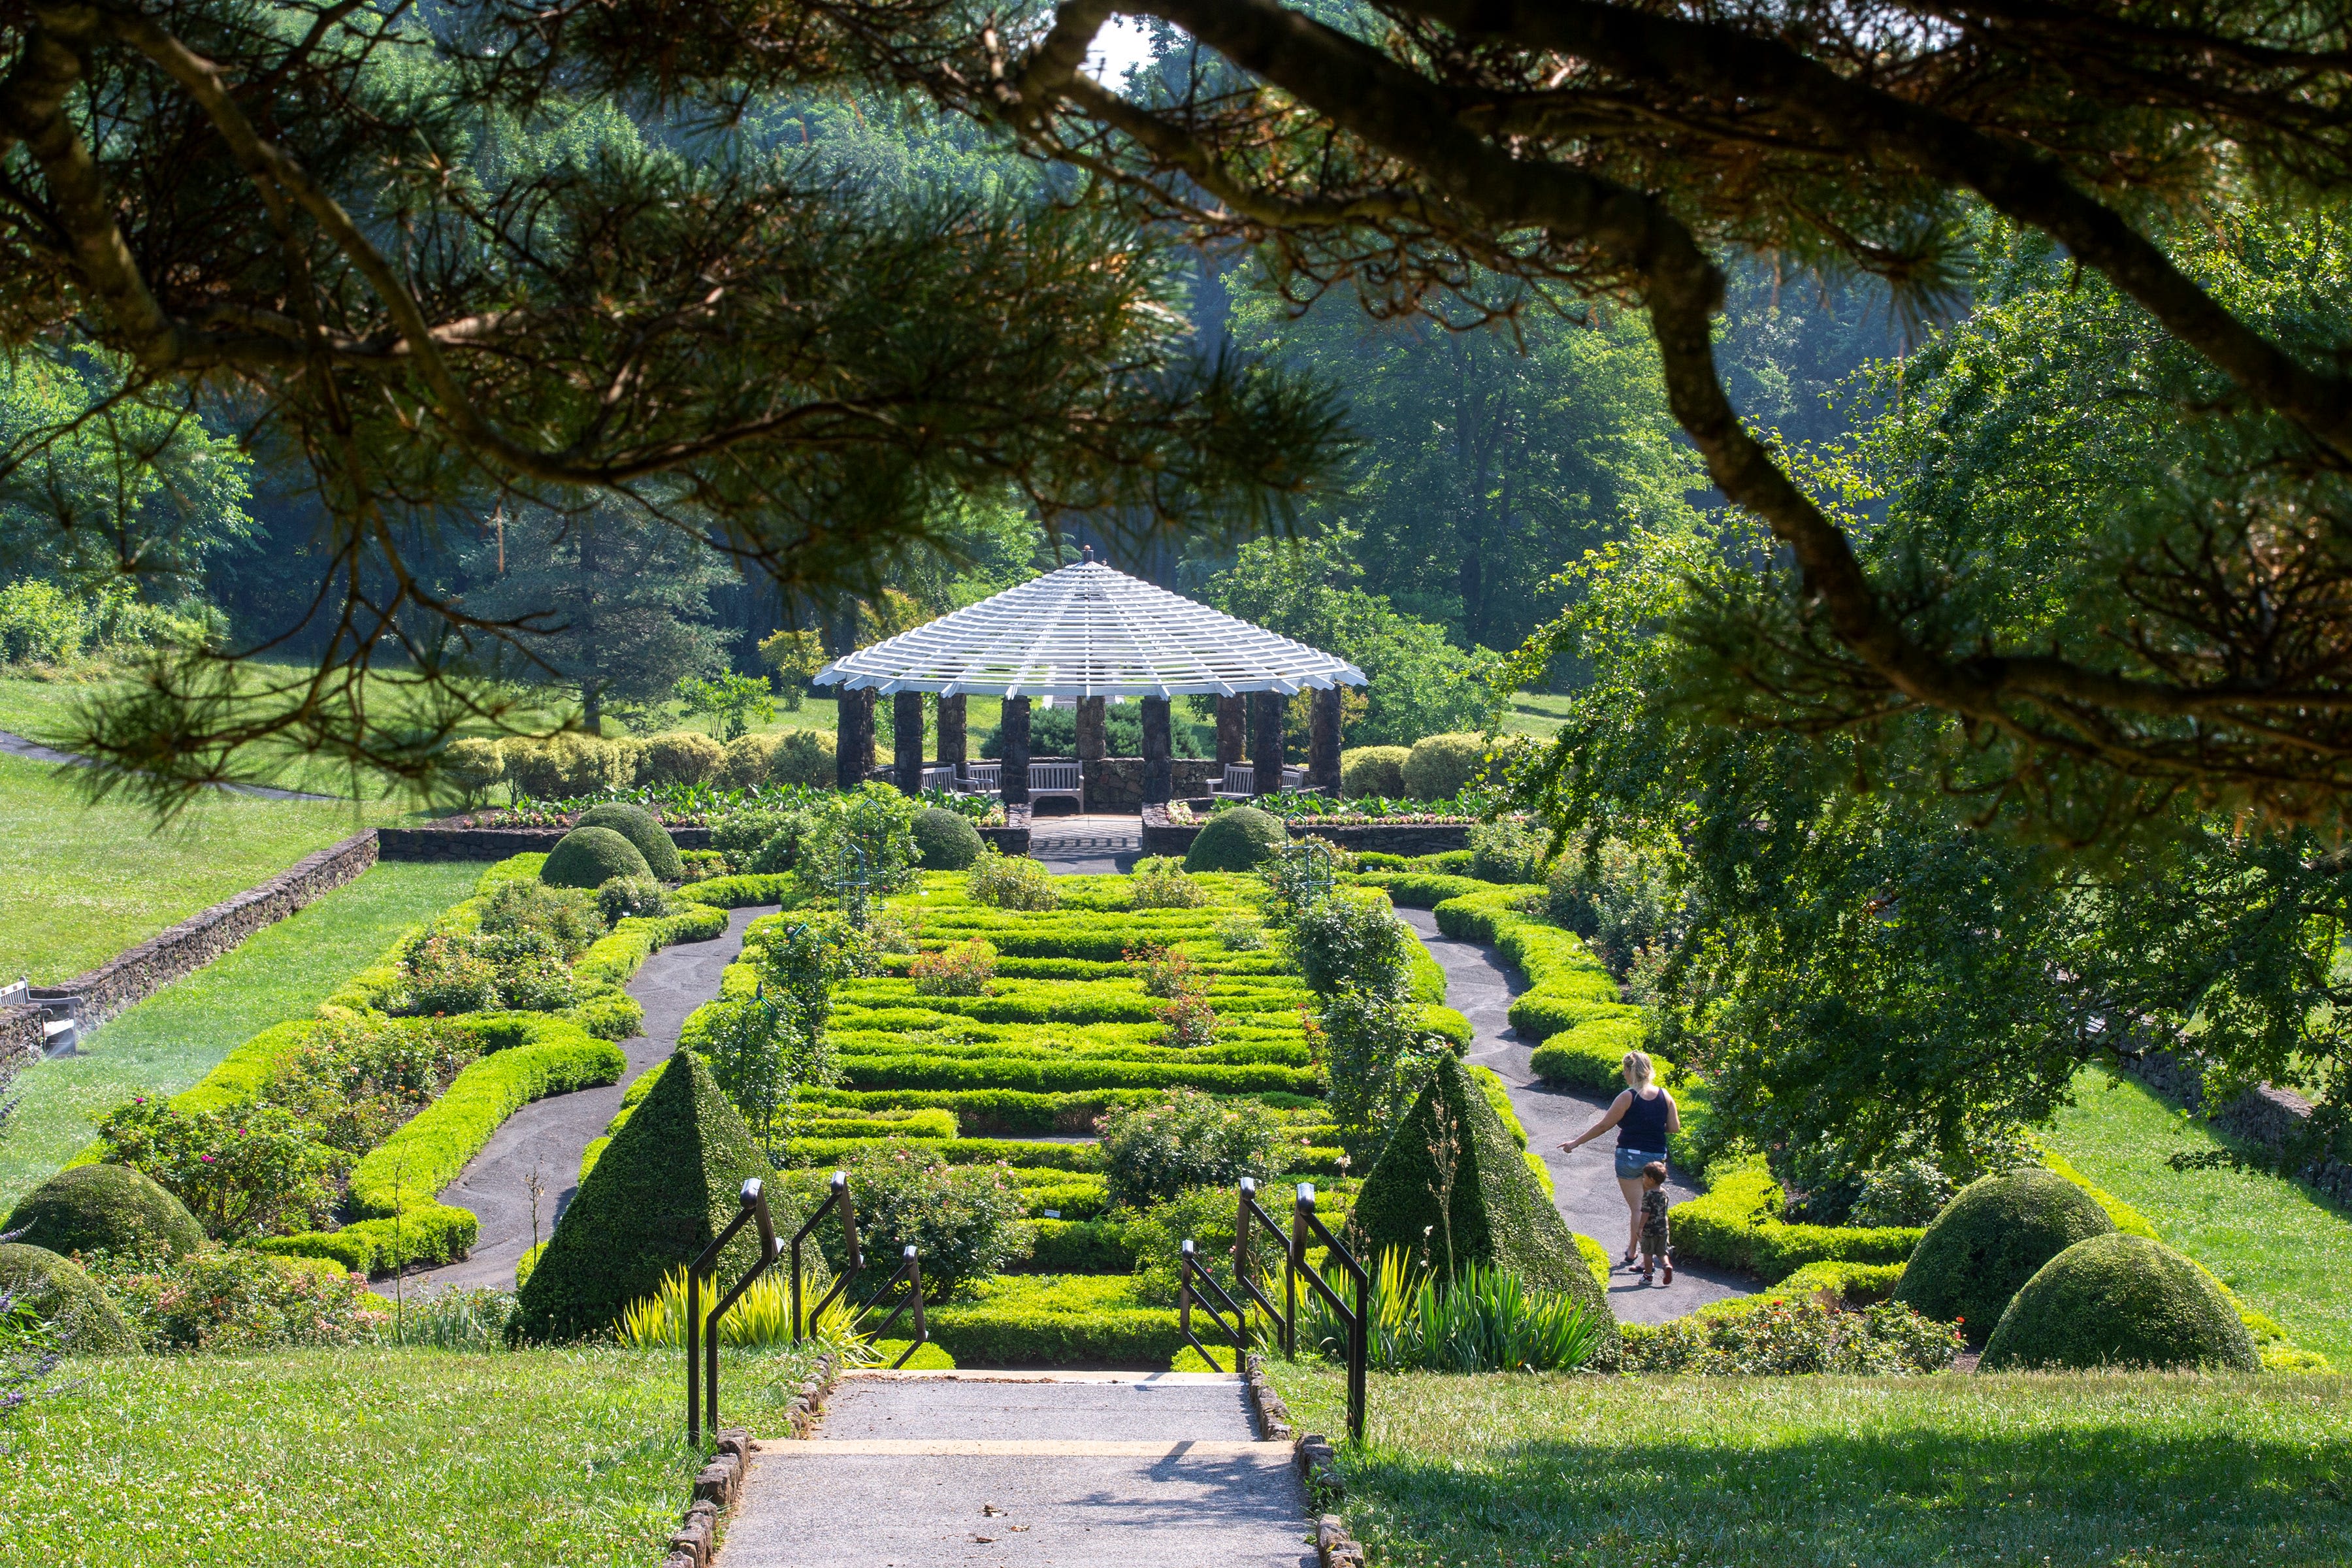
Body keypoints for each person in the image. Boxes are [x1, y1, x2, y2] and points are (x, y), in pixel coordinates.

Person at [1559, 1049, 1682, 1267]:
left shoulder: (1627, 1096)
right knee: (1651, 1209)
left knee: (1637, 1208)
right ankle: (1637, 1253)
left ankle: (1640, 1257)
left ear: (1630, 1070)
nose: (1623, 1074)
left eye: (1624, 1070)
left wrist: (1575, 1143)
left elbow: (1604, 1125)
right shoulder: (1665, 1096)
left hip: (1629, 1157)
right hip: (1655, 1158)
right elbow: (1674, 1128)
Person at [1638, 1160, 1673, 1284]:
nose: (1643, 1180)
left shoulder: (1648, 1195)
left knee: (1648, 1253)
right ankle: (1666, 1265)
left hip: (1650, 1229)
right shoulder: (1664, 1193)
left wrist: (1640, 1227)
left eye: (1644, 1177)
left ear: (1651, 1179)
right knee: (1661, 1252)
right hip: (1663, 1229)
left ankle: (1648, 1275)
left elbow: (1646, 1213)